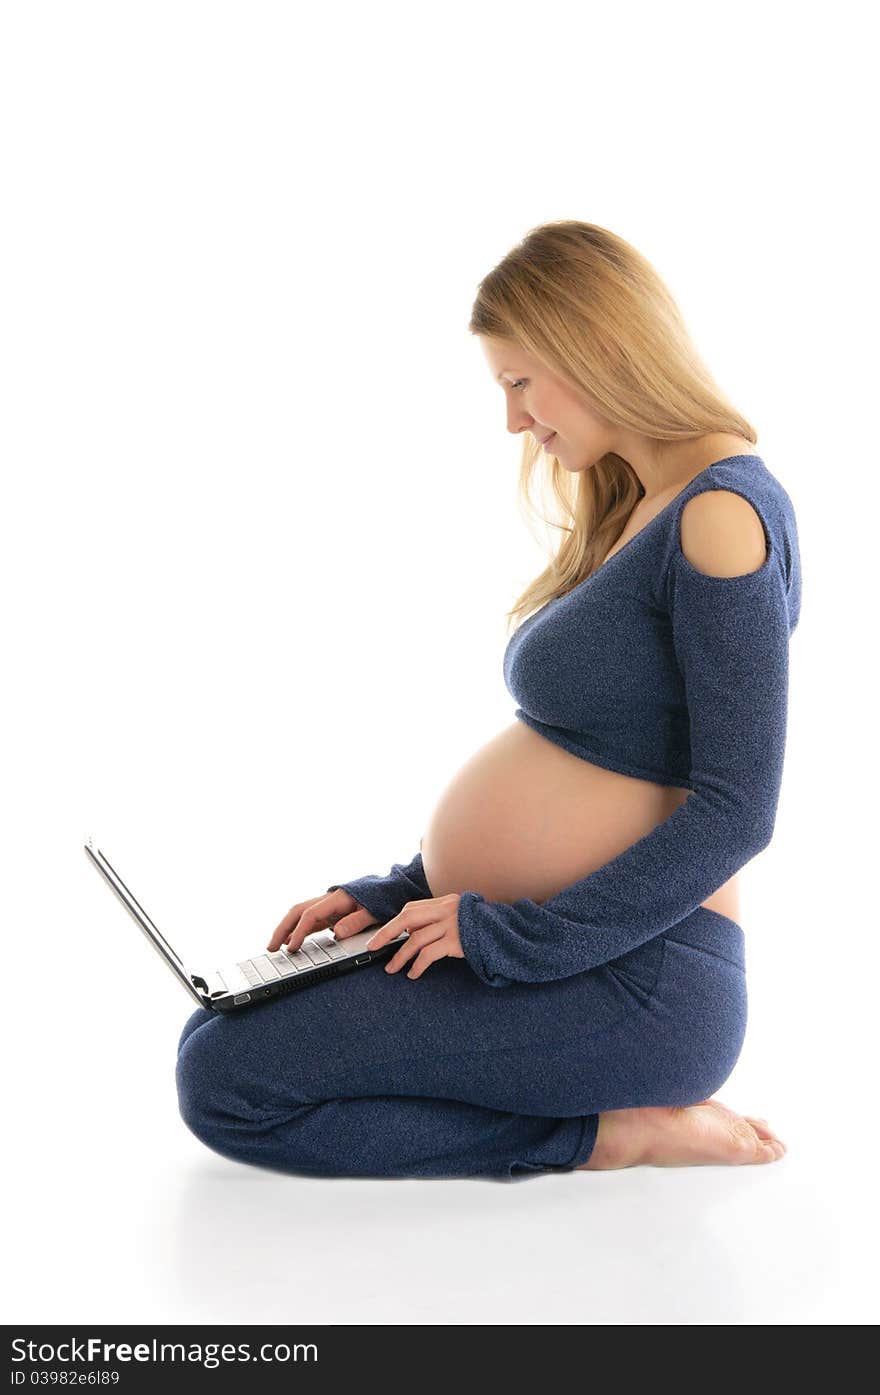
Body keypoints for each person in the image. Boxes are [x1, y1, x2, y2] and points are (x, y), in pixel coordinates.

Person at [176, 219, 800, 1180]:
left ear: (593, 345)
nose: (515, 419)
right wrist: (397, 893)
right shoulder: (643, 501)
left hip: (636, 985)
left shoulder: (720, 519)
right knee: (217, 1034)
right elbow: (593, 766)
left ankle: (609, 1136)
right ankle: (588, 1113)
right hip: (554, 953)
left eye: (518, 381)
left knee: (229, 1082)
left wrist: (499, 934)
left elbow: (736, 812)